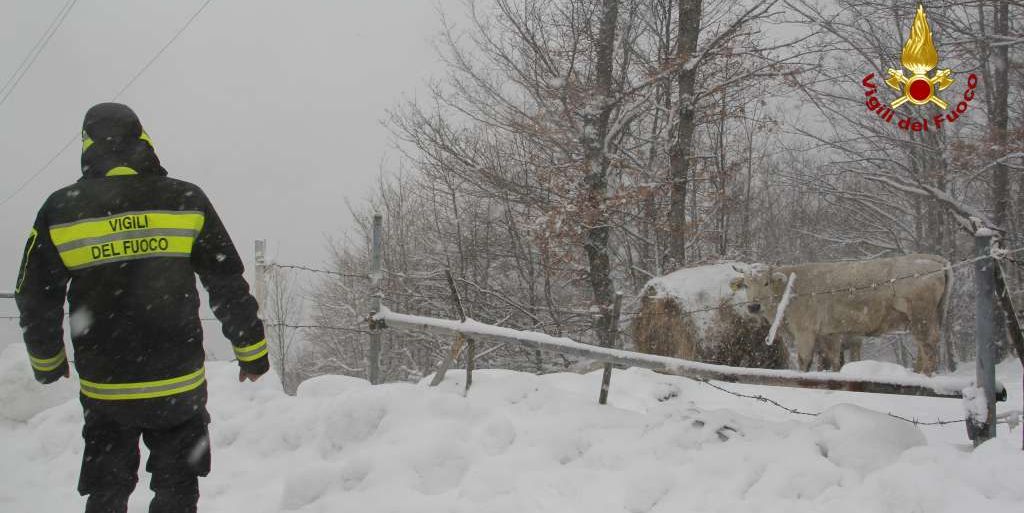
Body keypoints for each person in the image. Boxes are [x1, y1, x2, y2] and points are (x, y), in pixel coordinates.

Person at [14, 102, 269, 513]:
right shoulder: (184, 199)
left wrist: (47, 362)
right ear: (143, 140)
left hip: (105, 388)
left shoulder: (62, 208)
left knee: (107, 490)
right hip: (178, 385)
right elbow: (225, 281)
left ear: (87, 146)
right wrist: (252, 354)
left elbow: (35, 295)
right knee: (177, 491)